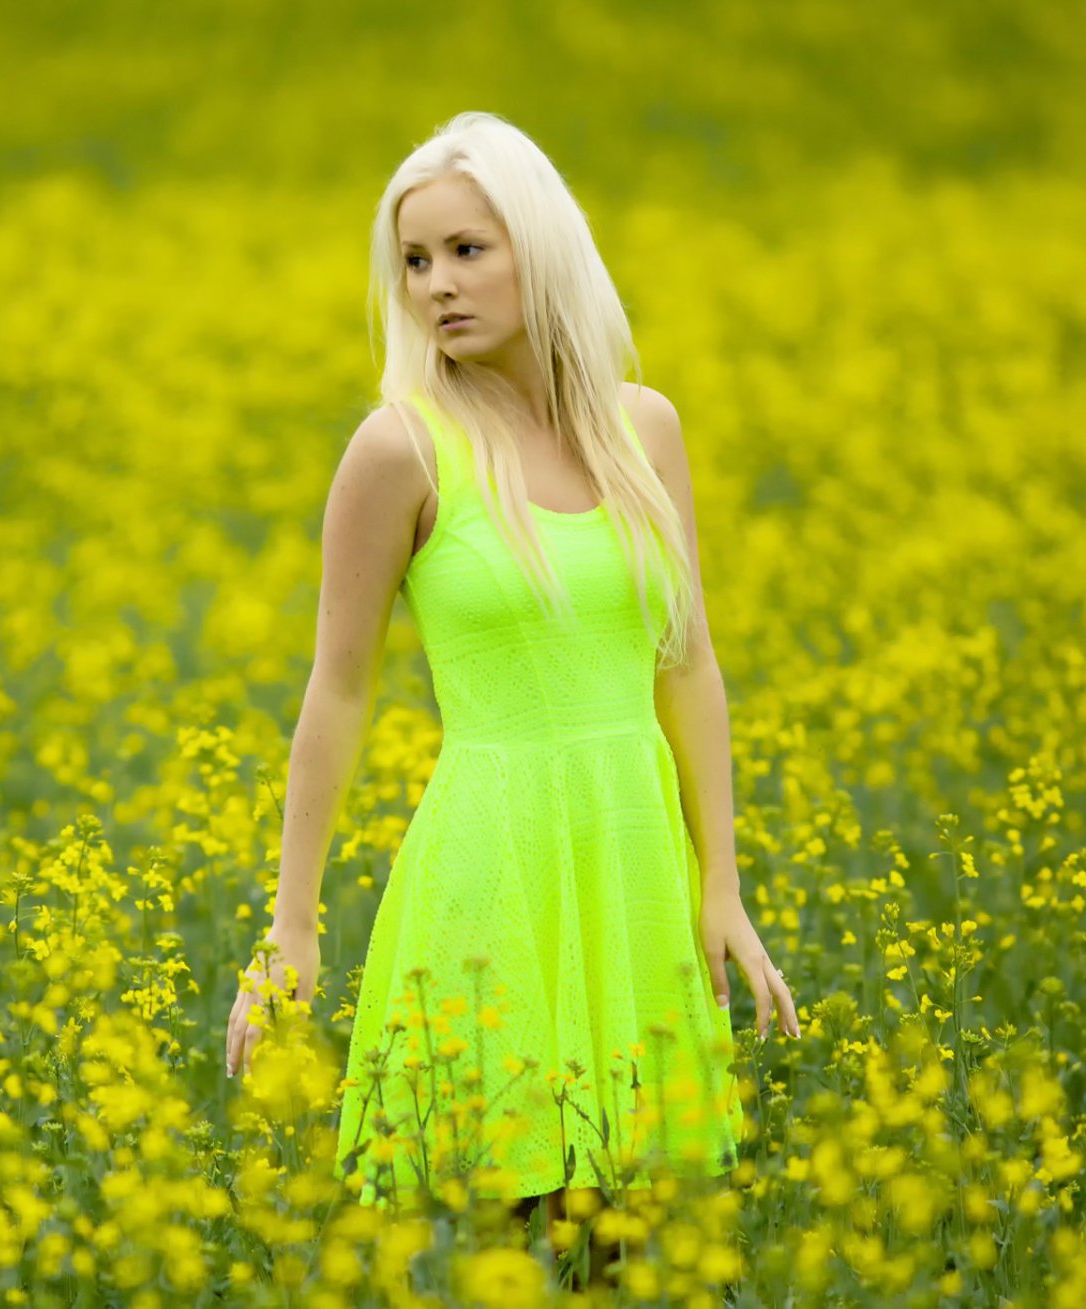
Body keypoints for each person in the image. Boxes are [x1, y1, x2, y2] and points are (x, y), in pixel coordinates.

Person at [222, 112, 801, 1245]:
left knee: (636, 1245)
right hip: (494, 876)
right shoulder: (400, 450)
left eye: (467, 250)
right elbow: (336, 692)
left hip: (631, 867)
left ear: (543, 244)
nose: (438, 284)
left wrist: (720, 883)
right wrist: (291, 928)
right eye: (416, 261)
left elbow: (687, 660)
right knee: (515, 1226)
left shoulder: (648, 430)